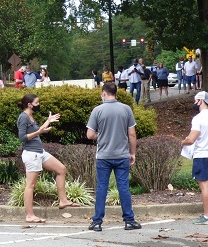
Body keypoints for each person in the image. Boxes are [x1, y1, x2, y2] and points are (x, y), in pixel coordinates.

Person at [86, 82, 141, 232]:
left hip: (103, 155)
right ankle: (129, 220)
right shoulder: (126, 109)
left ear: (104, 93)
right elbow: (132, 134)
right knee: (123, 187)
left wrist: (101, 135)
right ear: (116, 93)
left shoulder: (98, 110)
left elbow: (90, 134)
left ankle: (97, 221)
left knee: (102, 187)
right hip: (122, 154)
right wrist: (133, 153)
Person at [17, 94, 80, 223]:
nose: (38, 104)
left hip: (40, 152)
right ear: (30, 104)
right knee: (31, 185)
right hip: (31, 154)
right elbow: (23, 137)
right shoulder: (23, 117)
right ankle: (29, 215)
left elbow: (39, 130)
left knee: (61, 169)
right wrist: (39, 132)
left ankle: (63, 200)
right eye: (37, 102)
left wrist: (48, 121)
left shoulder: (30, 116)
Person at [181, 91, 208, 225]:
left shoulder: (198, 118)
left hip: (201, 155)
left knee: (204, 186)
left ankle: (206, 216)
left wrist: (182, 142)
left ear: (200, 101)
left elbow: (192, 139)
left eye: (195, 101)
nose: (194, 103)